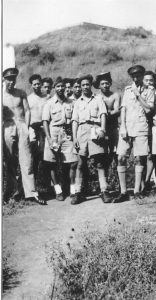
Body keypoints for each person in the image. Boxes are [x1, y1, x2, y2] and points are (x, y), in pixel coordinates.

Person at [3, 67, 45, 204]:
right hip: (8, 127)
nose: (11, 82)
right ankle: (12, 192)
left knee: (27, 160)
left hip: (22, 126)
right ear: (4, 79)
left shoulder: (21, 93)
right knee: (10, 161)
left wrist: (26, 127)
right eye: (8, 79)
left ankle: (31, 193)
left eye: (13, 79)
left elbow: (27, 110)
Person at [115, 65, 154, 202]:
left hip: (141, 127)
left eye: (138, 76)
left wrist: (138, 95)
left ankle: (137, 191)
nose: (136, 78)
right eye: (133, 76)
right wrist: (123, 126)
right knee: (120, 157)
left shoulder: (149, 91)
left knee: (139, 159)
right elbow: (123, 109)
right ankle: (123, 191)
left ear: (143, 76)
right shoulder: (127, 90)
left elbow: (149, 110)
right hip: (127, 127)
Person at [71, 74, 111, 204]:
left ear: (90, 85)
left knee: (99, 162)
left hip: (95, 129)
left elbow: (103, 115)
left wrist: (103, 130)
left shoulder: (98, 99)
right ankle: (77, 192)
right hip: (82, 131)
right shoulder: (77, 102)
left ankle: (104, 190)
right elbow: (75, 121)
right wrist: (75, 138)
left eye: (87, 84)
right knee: (80, 163)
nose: (85, 87)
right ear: (80, 87)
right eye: (82, 85)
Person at [42, 77, 78, 202]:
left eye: (62, 86)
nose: (61, 88)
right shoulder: (49, 103)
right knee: (52, 163)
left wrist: (73, 134)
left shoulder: (71, 102)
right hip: (53, 133)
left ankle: (73, 191)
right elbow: (45, 122)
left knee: (73, 162)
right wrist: (49, 139)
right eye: (58, 86)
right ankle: (58, 190)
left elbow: (74, 120)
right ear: (54, 88)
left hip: (67, 134)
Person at [93, 72, 121, 171]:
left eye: (107, 83)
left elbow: (117, 110)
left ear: (110, 83)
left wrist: (105, 113)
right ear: (99, 86)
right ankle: (104, 179)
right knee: (102, 154)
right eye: (103, 84)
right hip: (101, 128)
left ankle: (117, 177)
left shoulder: (115, 95)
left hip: (113, 127)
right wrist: (106, 113)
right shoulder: (96, 97)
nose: (105, 86)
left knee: (116, 153)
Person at [27, 74, 47, 177]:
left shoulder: (46, 97)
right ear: (31, 85)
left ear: (41, 84)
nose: (37, 86)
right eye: (34, 84)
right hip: (32, 129)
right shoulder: (28, 98)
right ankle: (33, 185)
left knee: (45, 156)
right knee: (33, 156)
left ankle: (48, 185)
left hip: (44, 128)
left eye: (38, 84)